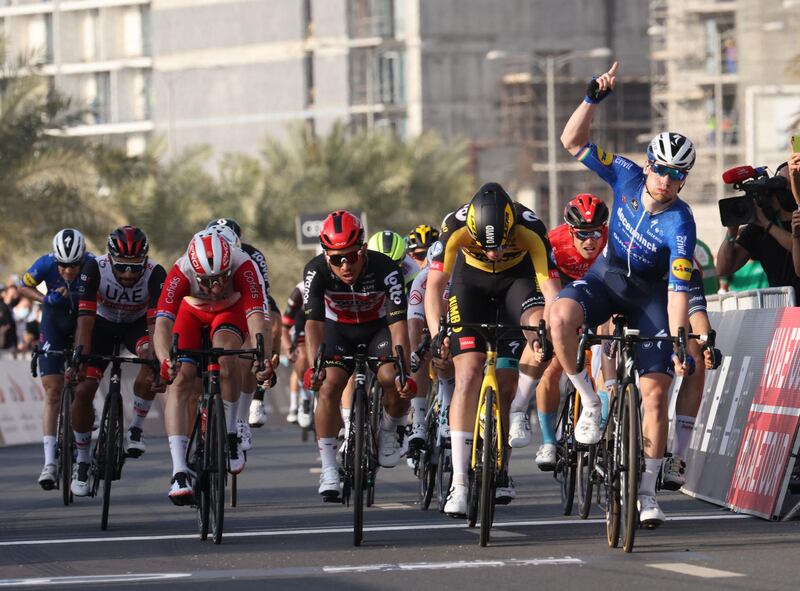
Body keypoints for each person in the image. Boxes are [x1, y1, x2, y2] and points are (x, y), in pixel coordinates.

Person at [553, 61, 696, 528]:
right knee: (559, 317)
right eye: (661, 170)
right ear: (650, 164)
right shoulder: (627, 175)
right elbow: (571, 143)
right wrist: (592, 97)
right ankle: (590, 402)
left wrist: (677, 341)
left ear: (684, 179)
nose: (665, 181)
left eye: (676, 175)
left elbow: (679, 290)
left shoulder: (682, 224)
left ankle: (649, 492)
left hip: (651, 297)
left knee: (656, 395)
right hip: (606, 279)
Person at [425, 183, 561, 515]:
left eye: (501, 246)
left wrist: (550, 328)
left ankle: (503, 462)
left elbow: (550, 288)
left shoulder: (530, 227)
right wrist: (435, 333)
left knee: (510, 375)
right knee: (469, 373)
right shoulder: (454, 227)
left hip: (518, 284)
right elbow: (434, 287)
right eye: (486, 248)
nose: (495, 253)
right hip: (470, 287)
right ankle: (459, 481)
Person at [154, 230, 273, 505]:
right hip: (191, 312)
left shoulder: (243, 265)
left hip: (229, 312)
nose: (217, 288)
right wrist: (164, 360)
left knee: (226, 356)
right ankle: (179, 471)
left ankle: (230, 434)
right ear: (195, 273)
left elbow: (258, 320)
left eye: (222, 278)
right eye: (209, 282)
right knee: (181, 378)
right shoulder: (181, 271)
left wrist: (262, 358)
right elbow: (162, 323)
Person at [302, 210, 415, 499]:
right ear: (326, 254)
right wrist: (316, 366)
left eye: (351, 256)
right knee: (328, 385)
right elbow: (313, 325)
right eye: (336, 258)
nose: (344, 265)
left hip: (378, 330)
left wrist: (404, 369)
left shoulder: (386, 269)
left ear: (363, 249)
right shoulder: (315, 271)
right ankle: (329, 468)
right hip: (338, 331)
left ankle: (391, 428)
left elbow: (399, 326)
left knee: (392, 377)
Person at [508, 193, 609, 472]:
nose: (591, 241)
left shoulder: (614, 242)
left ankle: (602, 427)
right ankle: (549, 441)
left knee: (605, 351)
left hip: (597, 294)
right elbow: (543, 287)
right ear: (570, 231)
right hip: (558, 291)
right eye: (583, 234)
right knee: (550, 363)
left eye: (597, 234)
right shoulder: (554, 242)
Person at [69, 226, 165, 496]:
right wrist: (80, 359)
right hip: (100, 326)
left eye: (136, 268)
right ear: (110, 259)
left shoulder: (156, 273)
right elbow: (85, 323)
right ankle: (83, 461)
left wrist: (156, 361)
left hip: (136, 326)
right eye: (122, 267)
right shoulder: (93, 268)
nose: (128, 274)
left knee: (151, 357)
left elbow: (155, 325)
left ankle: (135, 429)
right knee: (84, 389)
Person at [17, 229, 90, 490]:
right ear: (55, 259)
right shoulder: (45, 263)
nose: (68, 271)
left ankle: (83, 453)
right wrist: (44, 298)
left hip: (83, 323)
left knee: (83, 389)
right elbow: (22, 286)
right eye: (63, 265)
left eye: (73, 265)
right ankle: (50, 462)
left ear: (82, 259)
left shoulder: (93, 265)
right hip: (53, 323)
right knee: (52, 391)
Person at [207, 218, 281, 437]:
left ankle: (253, 402)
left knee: (258, 340)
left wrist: (263, 350)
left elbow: (261, 299)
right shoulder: (198, 253)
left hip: (247, 296)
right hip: (211, 303)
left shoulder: (253, 256)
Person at [717, 162, 800, 297]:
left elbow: (796, 245)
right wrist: (731, 233)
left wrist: (767, 225)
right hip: (783, 310)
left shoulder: (765, 224)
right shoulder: (759, 227)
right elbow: (723, 269)